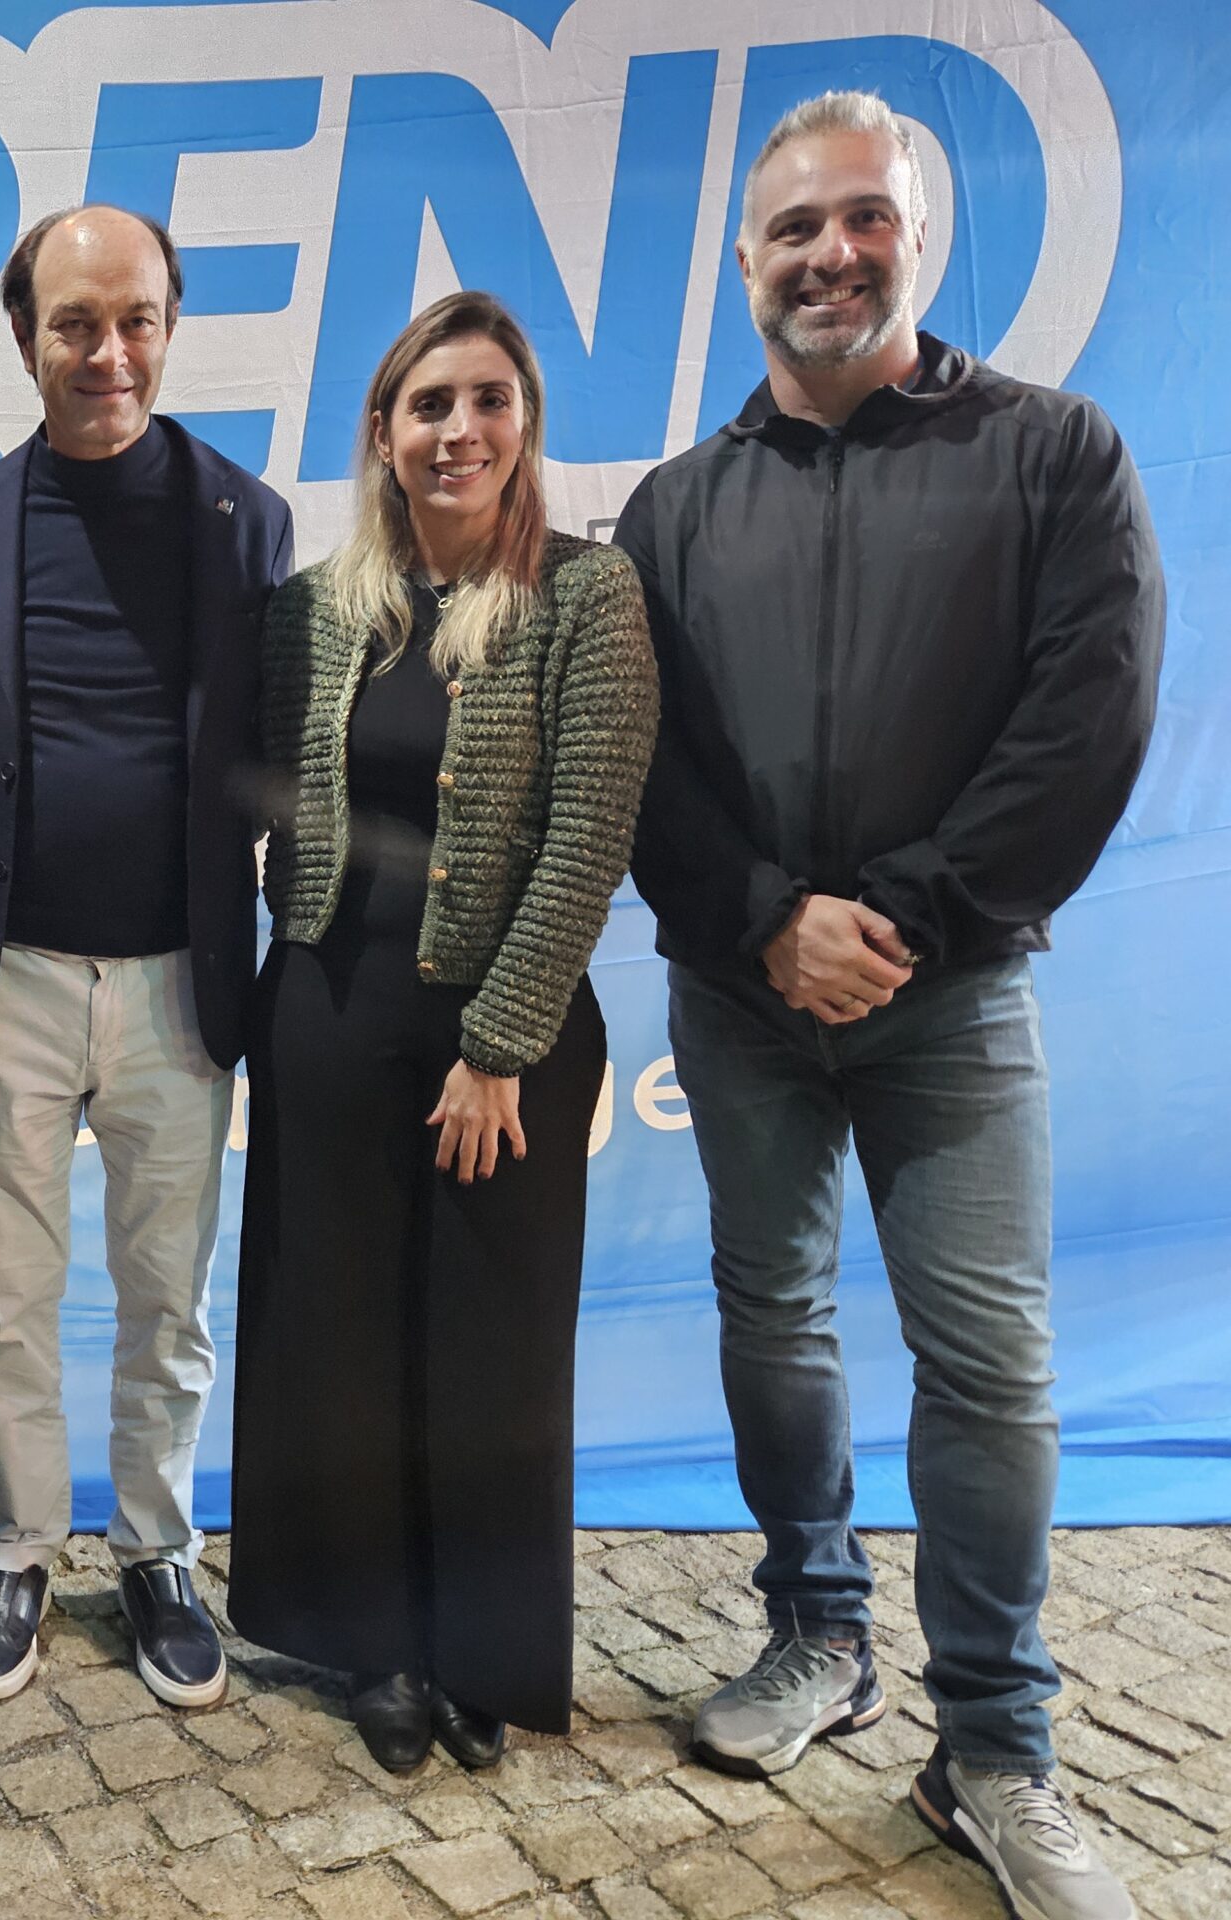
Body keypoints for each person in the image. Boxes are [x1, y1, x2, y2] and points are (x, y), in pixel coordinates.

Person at [617, 90, 1162, 1920]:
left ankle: (996, 1751)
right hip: (740, 997)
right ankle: (816, 1633)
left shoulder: (1053, 454)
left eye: (864, 220)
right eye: (792, 231)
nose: (828, 255)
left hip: (956, 1000)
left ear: (919, 239)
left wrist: (902, 920)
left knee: (991, 1372)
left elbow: (1088, 718)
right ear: (744, 265)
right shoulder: (673, 508)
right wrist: (771, 923)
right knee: (771, 1320)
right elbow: (650, 772)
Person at [225, 290, 655, 1772]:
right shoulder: (315, 610)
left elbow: (590, 831)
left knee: (492, 1343)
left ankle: (483, 1646)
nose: (457, 429)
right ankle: (375, 1643)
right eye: (428, 405)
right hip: (329, 1014)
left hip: (502, 1033)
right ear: (383, 435)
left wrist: (500, 1042)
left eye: (486, 400)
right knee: (335, 1334)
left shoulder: (589, 597)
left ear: (522, 422)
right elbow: (269, 812)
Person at [0, 205, 293, 1709]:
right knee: (10, 1298)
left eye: (134, 318)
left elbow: (283, 751)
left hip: (176, 982)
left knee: (169, 1301)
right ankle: (14, 1550)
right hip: (6, 976)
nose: (108, 352)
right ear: (26, 341)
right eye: (75, 324)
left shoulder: (247, 523)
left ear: (172, 326)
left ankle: (154, 1550)